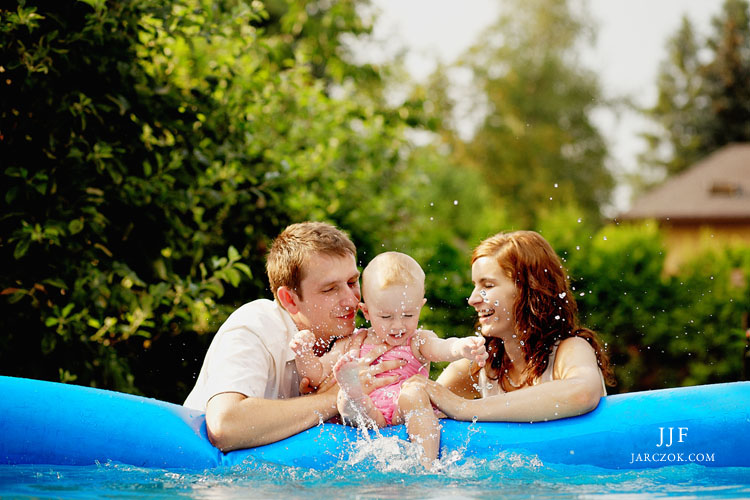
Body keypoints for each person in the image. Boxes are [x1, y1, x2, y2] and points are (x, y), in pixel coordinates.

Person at [183, 222, 404, 451]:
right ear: (290, 299)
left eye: (351, 282)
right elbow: (225, 426)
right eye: (329, 289)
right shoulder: (255, 324)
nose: (351, 300)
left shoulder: (352, 344)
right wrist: (339, 396)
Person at [290, 251, 488, 468]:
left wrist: (462, 347)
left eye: (408, 315)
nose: (398, 326)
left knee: (413, 393)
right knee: (345, 399)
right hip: (368, 415)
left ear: (420, 307)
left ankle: (427, 466)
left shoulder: (418, 341)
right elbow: (316, 373)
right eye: (386, 317)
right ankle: (354, 392)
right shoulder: (354, 342)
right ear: (366, 312)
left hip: (402, 413)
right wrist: (304, 354)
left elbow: (443, 347)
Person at [403, 230, 615, 424]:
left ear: (529, 289)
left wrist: (464, 407)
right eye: (474, 286)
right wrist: (370, 392)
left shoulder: (570, 350)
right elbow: (415, 411)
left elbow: (582, 393)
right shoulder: (480, 365)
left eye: (487, 285)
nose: (473, 299)